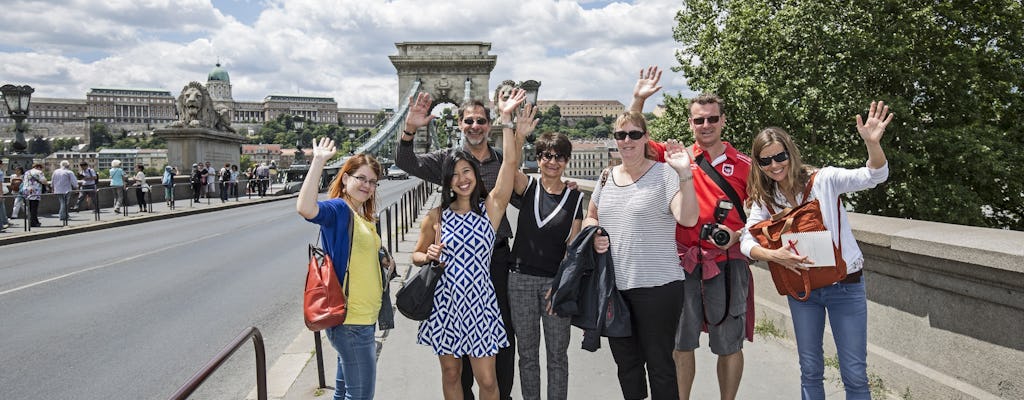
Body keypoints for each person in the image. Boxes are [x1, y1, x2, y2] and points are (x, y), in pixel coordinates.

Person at [739, 101, 893, 400]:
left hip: (844, 288)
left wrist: (872, 144)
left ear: (790, 153)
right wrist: (774, 255)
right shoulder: (764, 198)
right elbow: (747, 240)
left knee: (854, 374)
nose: (774, 166)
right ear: (758, 164)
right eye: (765, 161)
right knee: (810, 369)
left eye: (779, 157)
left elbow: (874, 176)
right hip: (802, 291)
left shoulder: (824, 179)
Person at [630, 66, 753, 400]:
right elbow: (634, 139)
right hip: (682, 264)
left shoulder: (745, 165)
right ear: (690, 124)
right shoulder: (677, 158)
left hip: (727, 263)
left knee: (728, 343)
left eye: (712, 119)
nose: (706, 125)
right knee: (681, 343)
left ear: (723, 120)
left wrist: (737, 234)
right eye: (699, 120)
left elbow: (760, 215)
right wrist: (639, 99)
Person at [398, 89, 524, 400]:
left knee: (489, 382)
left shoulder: (491, 209)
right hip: (446, 302)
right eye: (454, 175)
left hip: (481, 302)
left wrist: (506, 120)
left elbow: (510, 163)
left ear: (477, 176)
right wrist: (425, 255)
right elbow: (416, 255)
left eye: (467, 172)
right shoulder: (436, 215)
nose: (462, 178)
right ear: (446, 180)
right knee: (451, 374)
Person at [585, 111, 700, 400]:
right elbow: (590, 216)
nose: (627, 140)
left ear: (646, 138)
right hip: (615, 290)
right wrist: (595, 233)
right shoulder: (606, 176)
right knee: (627, 367)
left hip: (658, 288)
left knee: (660, 367)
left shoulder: (664, 174)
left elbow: (687, 218)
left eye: (634, 134)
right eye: (621, 135)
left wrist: (685, 174)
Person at [297, 139, 394, 400]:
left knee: (343, 393)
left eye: (373, 182)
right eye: (361, 178)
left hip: (363, 319)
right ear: (345, 178)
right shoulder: (340, 209)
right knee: (360, 395)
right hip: (351, 320)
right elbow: (306, 209)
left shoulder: (361, 214)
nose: (367, 185)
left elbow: (360, 252)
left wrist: (383, 258)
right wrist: (318, 161)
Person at [507, 131, 582, 400]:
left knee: (557, 356)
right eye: (547, 156)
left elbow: (572, 250)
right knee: (527, 355)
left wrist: (561, 286)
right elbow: (509, 165)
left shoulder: (575, 199)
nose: (553, 161)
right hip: (520, 281)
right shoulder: (528, 187)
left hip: (554, 286)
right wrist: (517, 134)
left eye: (560, 156)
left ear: (567, 161)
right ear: (538, 159)